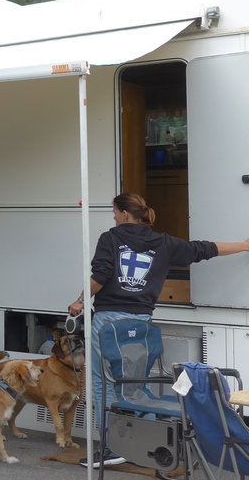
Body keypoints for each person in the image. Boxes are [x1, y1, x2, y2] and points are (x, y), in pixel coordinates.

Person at [68, 192, 249, 463]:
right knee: (135, 385)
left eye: (115, 211)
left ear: (125, 214)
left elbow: (101, 275)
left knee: (103, 383)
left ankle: (111, 448)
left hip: (110, 322)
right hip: (141, 323)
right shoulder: (163, 242)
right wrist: (244, 246)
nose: (113, 216)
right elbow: (204, 248)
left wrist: (80, 301)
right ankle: (143, 444)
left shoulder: (111, 238)